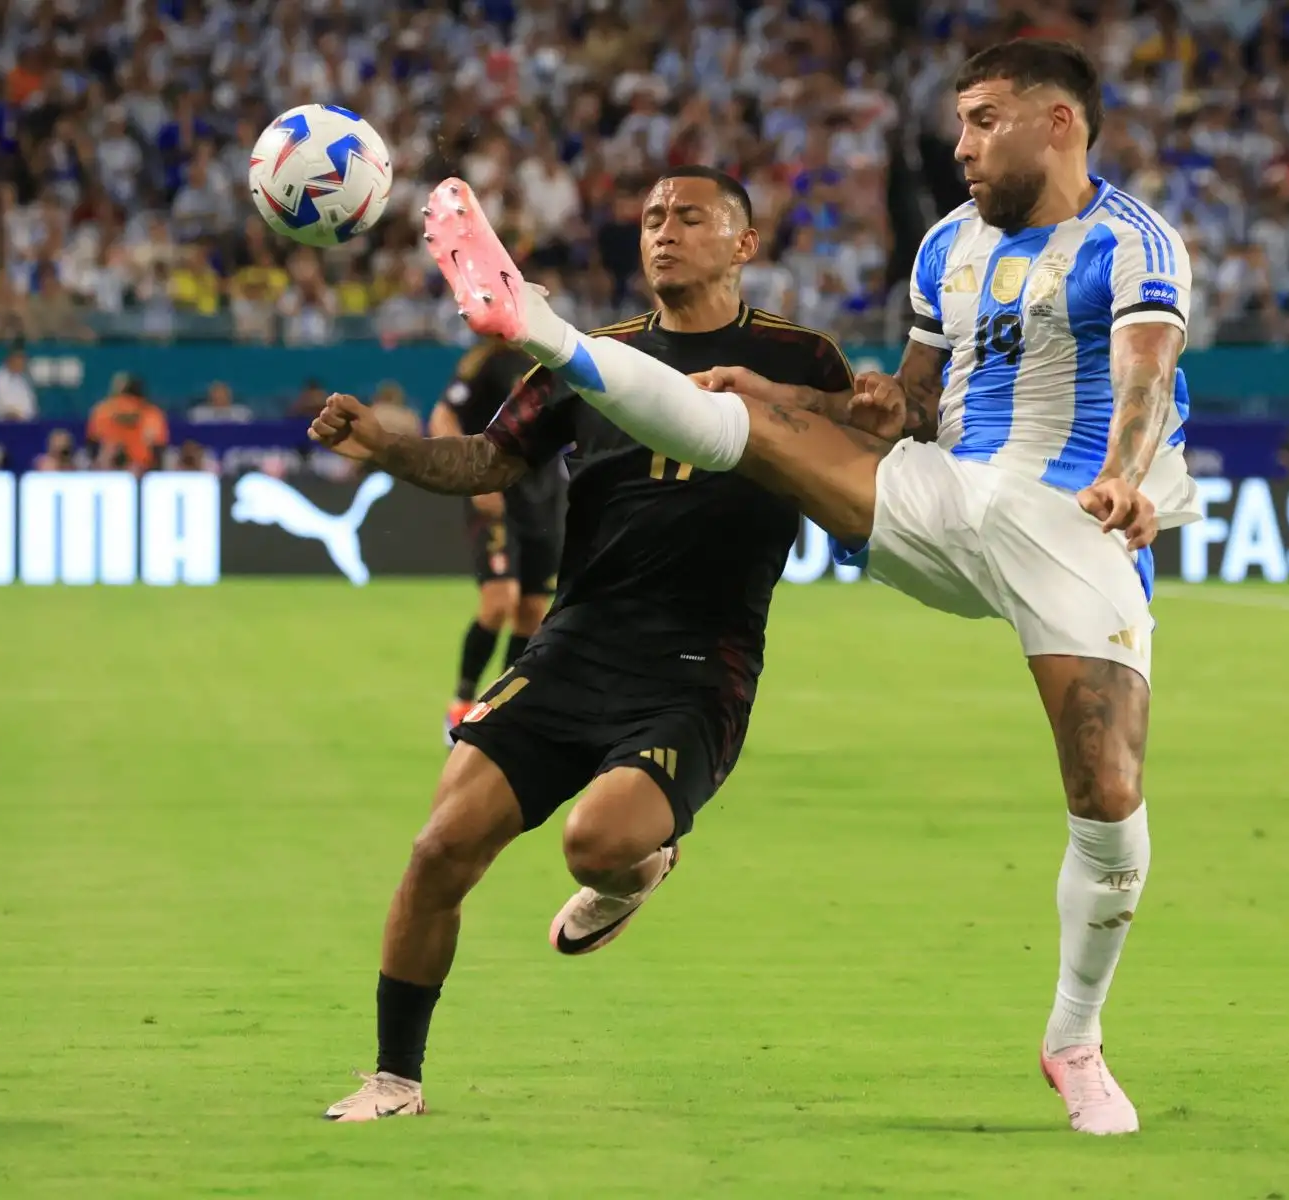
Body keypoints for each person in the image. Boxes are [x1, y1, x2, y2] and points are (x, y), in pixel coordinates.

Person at [416, 39, 1195, 1136]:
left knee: (1107, 795)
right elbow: (920, 401)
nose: (960, 145)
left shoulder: (1133, 241)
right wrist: (870, 408)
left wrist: (1122, 473)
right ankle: (538, 323)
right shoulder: (946, 245)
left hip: (1073, 523)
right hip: (946, 494)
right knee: (753, 415)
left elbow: (1147, 368)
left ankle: (1074, 1039)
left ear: (1057, 122)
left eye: (982, 120)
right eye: (960, 123)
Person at [308, 166, 854, 1121]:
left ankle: (640, 866)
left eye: (690, 216)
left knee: (594, 844)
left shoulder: (802, 358)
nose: (664, 231)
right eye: (650, 217)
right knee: (439, 847)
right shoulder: (590, 354)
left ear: (744, 244)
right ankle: (395, 1078)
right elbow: (490, 455)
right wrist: (388, 445)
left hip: (698, 663)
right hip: (574, 644)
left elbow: (867, 461)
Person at [426, 341, 567, 739]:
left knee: (532, 610)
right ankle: (461, 703)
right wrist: (470, 475)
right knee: (498, 601)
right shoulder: (484, 362)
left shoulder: (552, 357)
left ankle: (500, 708)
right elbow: (442, 416)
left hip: (545, 497)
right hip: (496, 499)